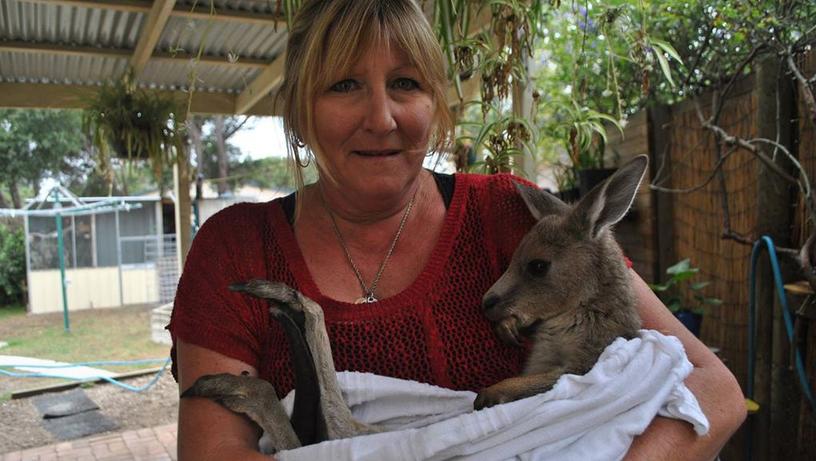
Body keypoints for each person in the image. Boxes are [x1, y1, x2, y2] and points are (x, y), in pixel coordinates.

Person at [168, 1, 746, 459]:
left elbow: (715, 391)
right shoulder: (237, 248)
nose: (382, 117)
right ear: (297, 111)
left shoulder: (515, 217)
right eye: (343, 85)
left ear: (436, 103)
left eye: (405, 83)